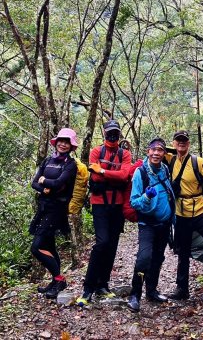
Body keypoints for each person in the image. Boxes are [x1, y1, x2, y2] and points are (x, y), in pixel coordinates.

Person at [76, 119, 132, 306]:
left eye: (115, 132)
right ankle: (88, 288)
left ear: (119, 134)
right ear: (104, 132)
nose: (113, 135)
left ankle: (103, 285)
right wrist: (104, 173)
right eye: (110, 132)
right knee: (102, 243)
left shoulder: (125, 154)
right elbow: (93, 175)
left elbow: (125, 175)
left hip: (117, 204)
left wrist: (103, 171)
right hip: (99, 203)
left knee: (112, 244)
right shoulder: (95, 151)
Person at [166, 130, 203, 300]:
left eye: (184, 140)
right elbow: (157, 152)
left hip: (199, 210)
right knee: (182, 251)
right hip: (180, 212)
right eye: (178, 140)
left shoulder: (197, 161)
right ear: (174, 142)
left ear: (189, 143)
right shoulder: (170, 161)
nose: (181, 143)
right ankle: (182, 288)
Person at [127, 137, 175, 312]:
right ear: (148, 151)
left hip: (164, 224)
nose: (156, 153)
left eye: (160, 150)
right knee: (144, 258)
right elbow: (134, 202)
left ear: (164, 153)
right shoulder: (141, 173)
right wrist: (146, 197)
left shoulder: (165, 170)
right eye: (153, 150)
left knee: (158, 258)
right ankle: (135, 294)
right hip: (147, 224)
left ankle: (151, 291)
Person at [30, 128, 78, 299]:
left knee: (36, 247)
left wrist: (46, 182)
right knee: (49, 246)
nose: (63, 144)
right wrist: (46, 188)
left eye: (67, 142)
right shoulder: (48, 161)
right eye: (61, 141)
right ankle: (54, 280)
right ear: (56, 142)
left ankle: (59, 279)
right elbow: (34, 183)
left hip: (57, 210)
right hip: (43, 207)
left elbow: (59, 183)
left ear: (71, 146)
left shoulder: (70, 165)